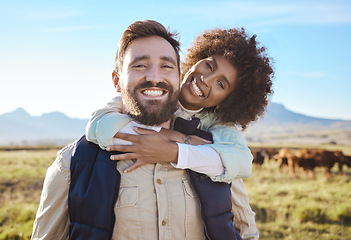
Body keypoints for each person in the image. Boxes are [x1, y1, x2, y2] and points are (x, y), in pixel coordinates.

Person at [31, 20, 244, 240]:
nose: (154, 77)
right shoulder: (71, 163)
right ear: (117, 81)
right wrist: (170, 137)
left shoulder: (216, 156)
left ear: (178, 76)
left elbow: (246, 232)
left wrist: (179, 149)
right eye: (140, 65)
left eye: (166, 66)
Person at [85, 28, 274, 239]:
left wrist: (174, 150)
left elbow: (241, 163)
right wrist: (171, 136)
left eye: (221, 84)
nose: (206, 79)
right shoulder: (149, 94)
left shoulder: (219, 125)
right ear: (195, 59)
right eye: (209, 65)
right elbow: (97, 127)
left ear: (226, 102)